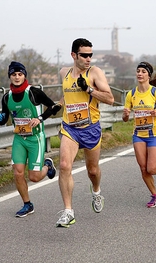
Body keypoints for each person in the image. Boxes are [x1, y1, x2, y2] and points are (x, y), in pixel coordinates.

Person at [56, 38, 114, 227]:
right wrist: (56, 106)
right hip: (70, 127)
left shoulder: (95, 72)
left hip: (90, 128)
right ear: (74, 55)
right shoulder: (64, 73)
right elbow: (67, 97)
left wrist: (88, 89)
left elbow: (110, 99)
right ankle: (68, 212)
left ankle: (96, 192)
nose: (88, 59)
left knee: (93, 170)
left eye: (91, 55)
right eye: (84, 55)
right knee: (64, 166)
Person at [0, 61, 60, 217]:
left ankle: (47, 166)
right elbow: (5, 117)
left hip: (35, 138)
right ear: (10, 76)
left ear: (24, 76)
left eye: (20, 74)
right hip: (19, 139)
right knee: (17, 173)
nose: (17, 77)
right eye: (14, 74)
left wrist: (40, 118)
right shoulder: (6, 97)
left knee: (34, 177)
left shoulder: (33, 92)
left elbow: (54, 107)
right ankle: (27, 204)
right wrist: (0, 119)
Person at [122, 62, 156, 208]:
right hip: (138, 134)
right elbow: (125, 119)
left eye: (143, 71)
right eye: (138, 71)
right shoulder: (131, 94)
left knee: (151, 169)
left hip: (154, 135)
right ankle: (155, 195)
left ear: (148, 75)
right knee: (143, 168)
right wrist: (125, 115)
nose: (140, 73)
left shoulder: (155, 93)